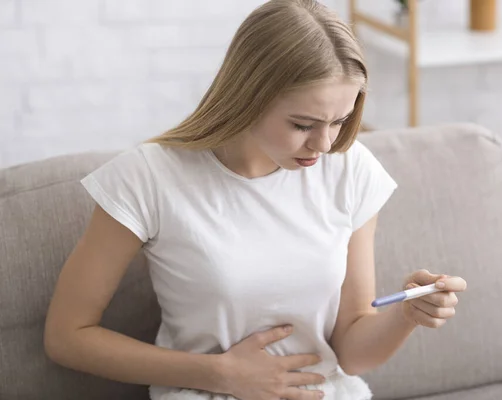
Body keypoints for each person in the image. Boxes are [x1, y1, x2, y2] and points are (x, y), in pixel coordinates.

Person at [43, 1, 467, 399]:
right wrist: (218, 373)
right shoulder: (148, 177)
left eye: (339, 121)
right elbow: (67, 335)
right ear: (248, 95)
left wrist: (406, 316)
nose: (324, 144)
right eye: (303, 124)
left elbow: (351, 353)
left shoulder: (350, 169)